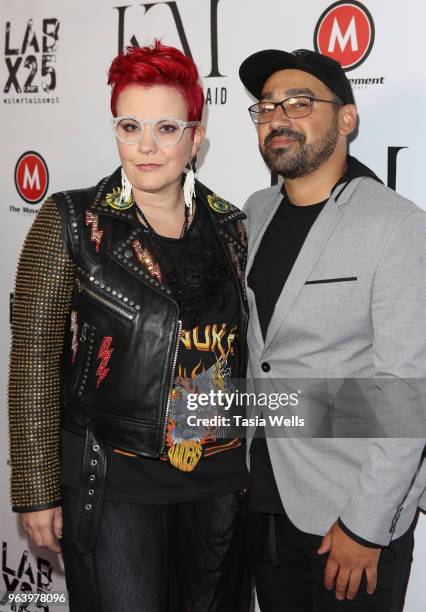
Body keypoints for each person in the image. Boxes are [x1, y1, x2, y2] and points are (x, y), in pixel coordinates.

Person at [8, 41, 251, 612]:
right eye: (130, 125)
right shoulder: (71, 220)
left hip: (219, 488)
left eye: (167, 127)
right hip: (114, 488)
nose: (146, 145)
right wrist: (36, 489)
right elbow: (34, 358)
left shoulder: (233, 227)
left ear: (196, 135)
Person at [238, 48, 426, 611]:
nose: (278, 116)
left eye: (299, 103)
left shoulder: (396, 225)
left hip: (349, 517)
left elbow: (404, 391)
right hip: (262, 505)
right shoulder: (254, 211)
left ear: (347, 119)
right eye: (267, 107)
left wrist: (366, 526)